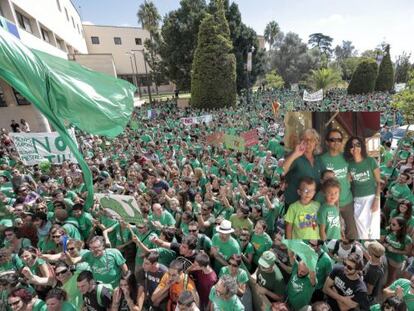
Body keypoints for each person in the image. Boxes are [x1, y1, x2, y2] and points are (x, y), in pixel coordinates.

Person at [320, 129, 358, 239]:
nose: (336, 142)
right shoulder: (321, 160)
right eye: (332, 140)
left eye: (339, 139)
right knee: (333, 234)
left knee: (352, 233)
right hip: (329, 203)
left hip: (347, 201)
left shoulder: (347, 158)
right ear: (327, 142)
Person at [344, 136, 381, 239]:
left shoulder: (370, 161)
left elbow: (379, 182)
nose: (355, 148)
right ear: (349, 149)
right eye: (352, 146)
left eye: (357, 145)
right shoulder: (349, 165)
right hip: (358, 200)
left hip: (372, 197)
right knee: (362, 232)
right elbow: (348, 181)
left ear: (362, 146)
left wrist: (377, 199)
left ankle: (375, 252)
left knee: (374, 230)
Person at [283, 128, 324, 207]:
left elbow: (324, 177)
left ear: (316, 143)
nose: (308, 142)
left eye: (311, 139)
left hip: (312, 206)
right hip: (294, 205)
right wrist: (295, 154)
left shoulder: (318, 159)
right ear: (300, 141)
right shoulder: (295, 156)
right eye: (305, 139)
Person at [363, 241, 386, 305]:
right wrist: (363, 250)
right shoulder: (380, 259)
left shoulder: (373, 271)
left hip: (368, 298)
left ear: (371, 254)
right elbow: (370, 259)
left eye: (367, 249)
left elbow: (369, 291)